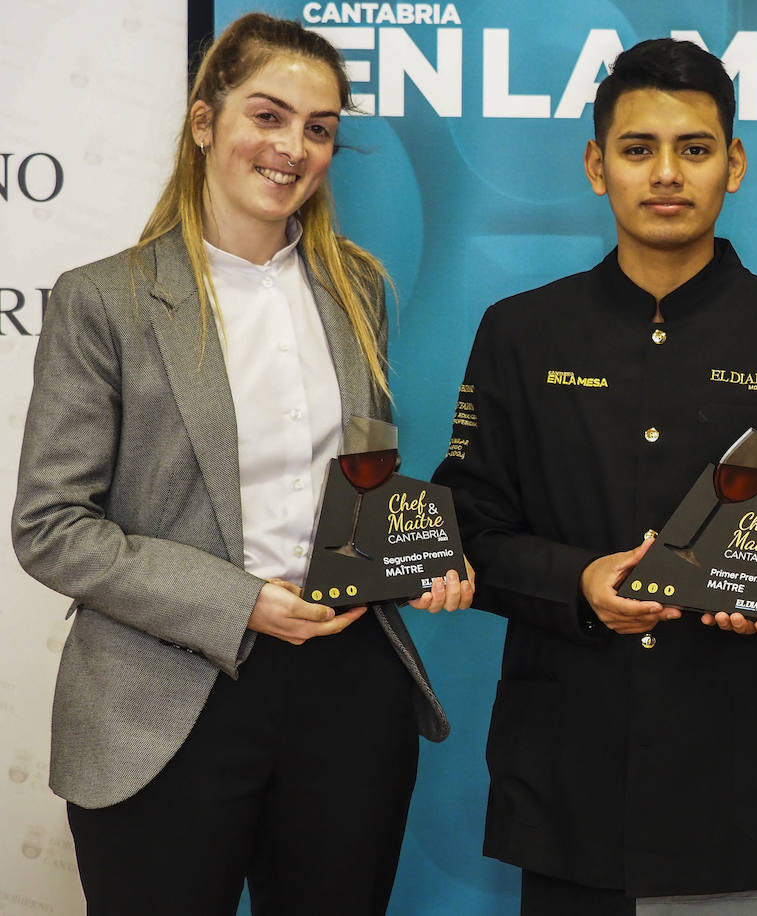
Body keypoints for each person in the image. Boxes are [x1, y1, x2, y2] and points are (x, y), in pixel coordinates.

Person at [11, 13, 471, 915]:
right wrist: (241, 602)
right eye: (268, 115)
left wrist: (416, 556)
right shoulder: (102, 301)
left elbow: (360, 481)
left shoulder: (358, 286)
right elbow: (51, 528)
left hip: (347, 688)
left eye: (319, 128)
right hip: (164, 693)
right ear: (203, 123)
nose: (292, 147)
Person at [433, 37, 757, 915]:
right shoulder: (521, 332)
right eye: (638, 149)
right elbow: (467, 527)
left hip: (735, 778)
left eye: (694, 149)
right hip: (564, 775)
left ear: (734, 164)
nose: (666, 174)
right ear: (598, 166)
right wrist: (579, 581)